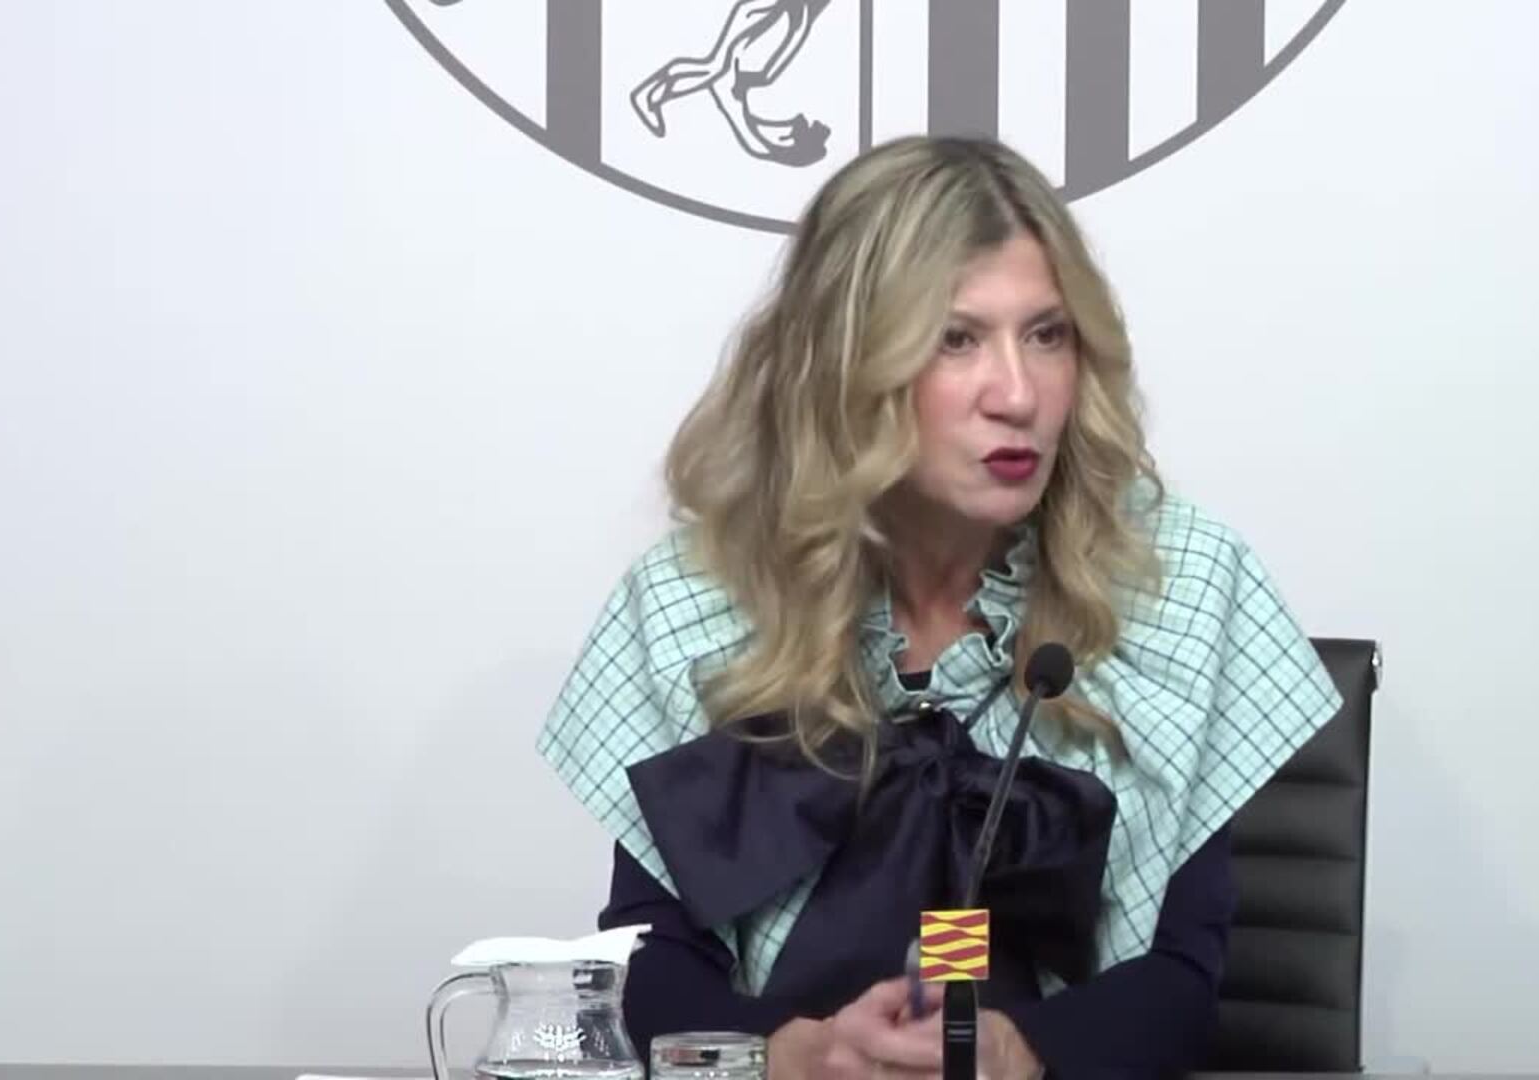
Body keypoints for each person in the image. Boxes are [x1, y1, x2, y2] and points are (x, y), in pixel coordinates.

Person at [537, 135, 1343, 1079]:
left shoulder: (1174, 582)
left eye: (1047, 334)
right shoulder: (702, 598)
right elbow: (651, 958)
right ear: (847, 364)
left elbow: (1182, 980)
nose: (1019, 395)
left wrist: (1016, 1051)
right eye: (957, 339)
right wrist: (794, 1055)